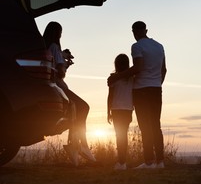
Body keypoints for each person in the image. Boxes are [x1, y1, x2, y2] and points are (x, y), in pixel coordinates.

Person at [108, 21, 167, 169]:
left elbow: (138, 67)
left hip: (141, 90)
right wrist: (157, 83)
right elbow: (164, 70)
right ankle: (160, 162)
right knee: (156, 125)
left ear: (134, 32)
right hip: (156, 89)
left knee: (145, 126)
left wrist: (118, 76)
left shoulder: (137, 46)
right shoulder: (159, 46)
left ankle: (148, 162)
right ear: (146, 30)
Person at [43, 21, 96, 166]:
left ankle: (74, 146)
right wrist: (65, 65)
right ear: (58, 33)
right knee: (83, 107)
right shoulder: (54, 47)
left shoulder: (46, 47)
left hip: (53, 87)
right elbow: (60, 72)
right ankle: (81, 145)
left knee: (75, 114)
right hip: (60, 87)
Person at [107, 54, 133, 170]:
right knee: (124, 135)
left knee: (119, 135)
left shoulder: (113, 79)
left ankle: (121, 162)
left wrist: (108, 112)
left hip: (116, 109)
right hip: (127, 110)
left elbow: (110, 96)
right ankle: (123, 162)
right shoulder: (132, 79)